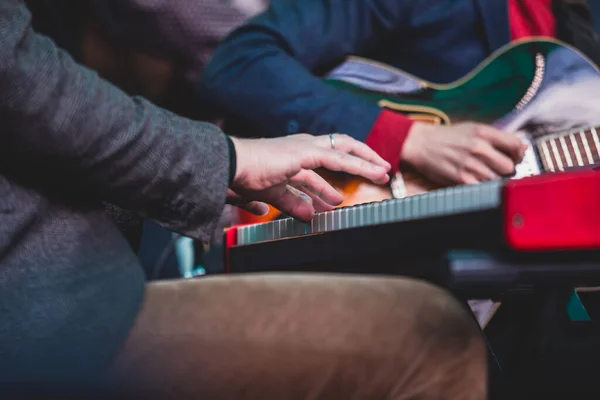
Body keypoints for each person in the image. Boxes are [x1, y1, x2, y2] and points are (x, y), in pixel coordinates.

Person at [0, 2, 486, 399]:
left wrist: (202, 166)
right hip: (41, 311)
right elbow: (24, 86)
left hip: (86, 260)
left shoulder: (556, 36)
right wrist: (224, 159)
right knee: (434, 334)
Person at [199, 0, 600, 187]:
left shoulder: (577, 32)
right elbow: (240, 63)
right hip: (343, 238)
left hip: (521, 298)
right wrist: (409, 139)